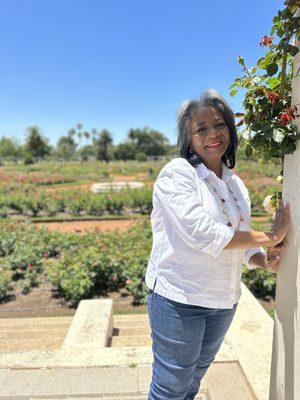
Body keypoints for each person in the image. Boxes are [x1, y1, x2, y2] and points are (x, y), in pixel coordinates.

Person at [145, 89, 291, 400]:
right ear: (189, 138)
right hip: (179, 300)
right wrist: (272, 236)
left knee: (193, 380)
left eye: (219, 125)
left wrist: (264, 259)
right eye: (201, 128)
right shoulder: (178, 174)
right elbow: (202, 233)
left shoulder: (235, 184)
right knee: (170, 387)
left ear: (230, 129)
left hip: (222, 303)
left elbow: (243, 242)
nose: (213, 134)